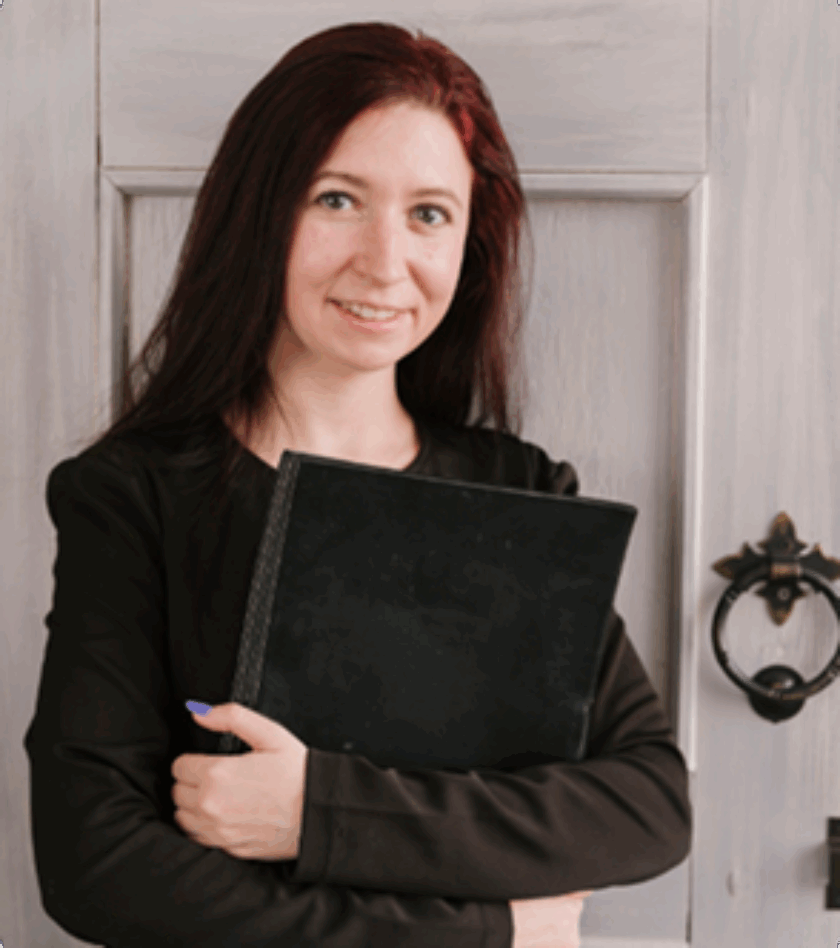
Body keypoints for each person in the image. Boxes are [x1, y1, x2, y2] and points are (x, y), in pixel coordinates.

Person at [23, 21, 691, 948]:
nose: (384, 263)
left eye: (429, 214)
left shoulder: (520, 490)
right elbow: (96, 866)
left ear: (469, 244)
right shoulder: (131, 497)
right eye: (337, 199)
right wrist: (486, 933)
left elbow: (647, 806)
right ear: (260, 213)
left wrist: (318, 813)